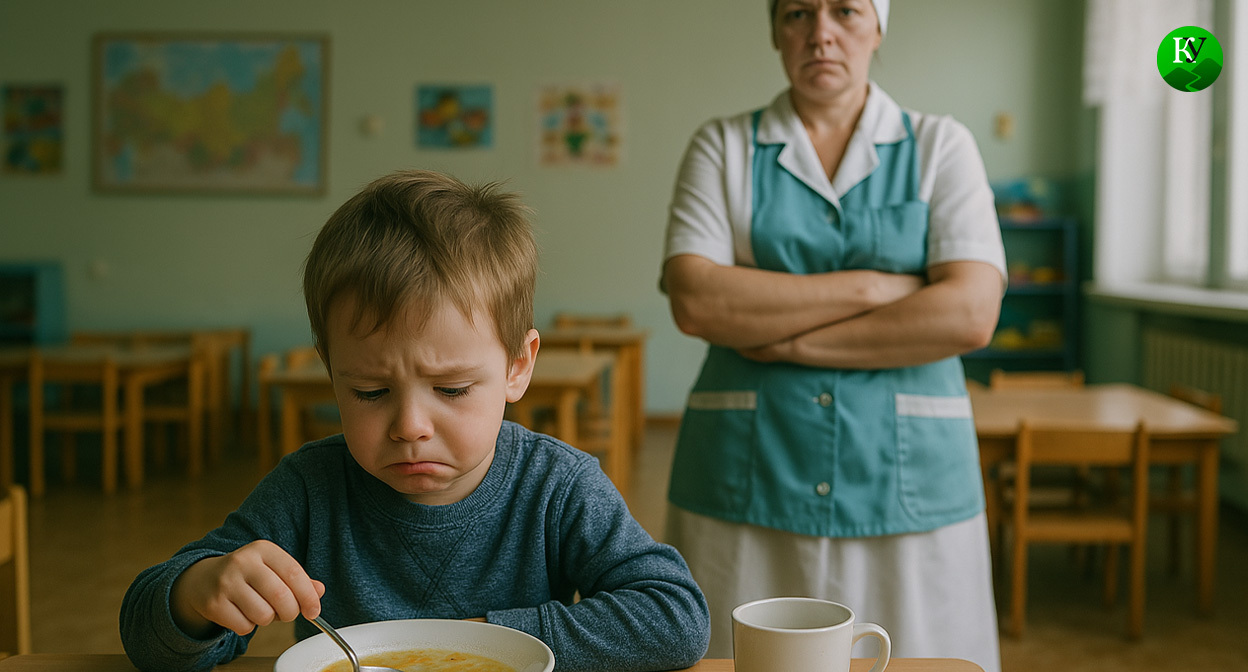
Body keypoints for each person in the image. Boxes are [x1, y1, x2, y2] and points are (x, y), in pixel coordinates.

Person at [121, 170, 710, 672]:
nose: (410, 426)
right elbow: (147, 633)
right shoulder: (309, 488)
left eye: (451, 389)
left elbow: (677, 616)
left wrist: (489, 640)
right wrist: (197, 595)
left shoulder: (556, 484)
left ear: (517, 367)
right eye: (370, 391)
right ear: (332, 372)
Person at [660, 1, 1005, 670]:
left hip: (910, 479)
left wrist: (788, 341)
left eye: (846, 10)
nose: (821, 33)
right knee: (741, 657)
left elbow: (968, 314)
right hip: (749, 471)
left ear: (878, 28)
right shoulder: (722, 146)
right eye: (797, 12)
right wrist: (874, 287)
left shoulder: (941, 145)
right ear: (775, 31)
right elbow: (698, 301)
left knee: (919, 658)